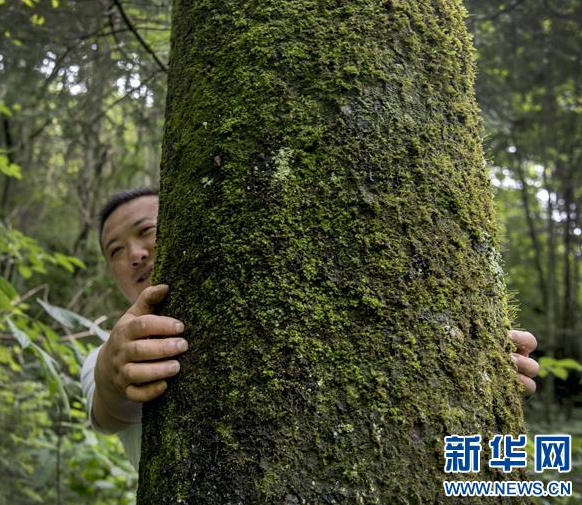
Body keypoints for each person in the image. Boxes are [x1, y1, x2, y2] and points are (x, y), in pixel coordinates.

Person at [80, 187, 541, 468]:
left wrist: (472, 374)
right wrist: (113, 368)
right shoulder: (107, 350)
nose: (134, 255)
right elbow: (109, 409)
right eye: (115, 250)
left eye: (147, 231)